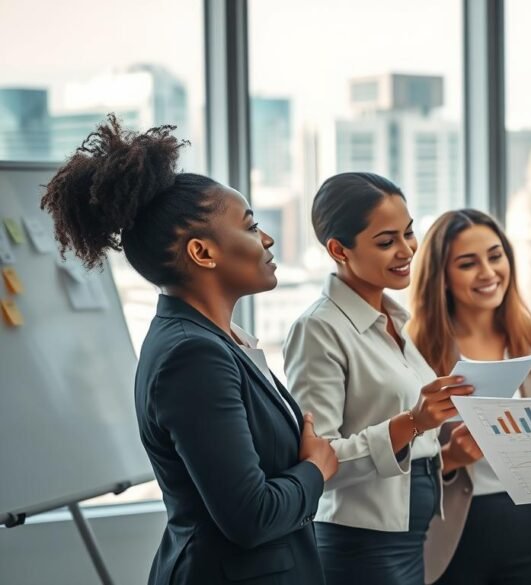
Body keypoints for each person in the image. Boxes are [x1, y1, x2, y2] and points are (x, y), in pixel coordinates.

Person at [40, 115, 338, 585]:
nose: (267, 239)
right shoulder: (192, 356)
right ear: (202, 253)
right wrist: (316, 470)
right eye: (251, 225)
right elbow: (251, 516)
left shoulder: (216, 340)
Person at [283, 172, 473, 584]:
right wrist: (415, 421)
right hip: (361, 545)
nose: (406, 250)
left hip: (410, 537)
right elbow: (319, 460)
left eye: (408, 233)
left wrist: (446, 448)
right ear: (338, 249)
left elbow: (403, 443)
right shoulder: (319, 329)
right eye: (386, 242)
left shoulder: (393, 321)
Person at [407, 209, 531, 585]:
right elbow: (394, 463)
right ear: (441, 276)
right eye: (467, 263)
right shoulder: (414, 350)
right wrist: (450, 458)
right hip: (451, 534)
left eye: (495, 256)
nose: (488, 273)